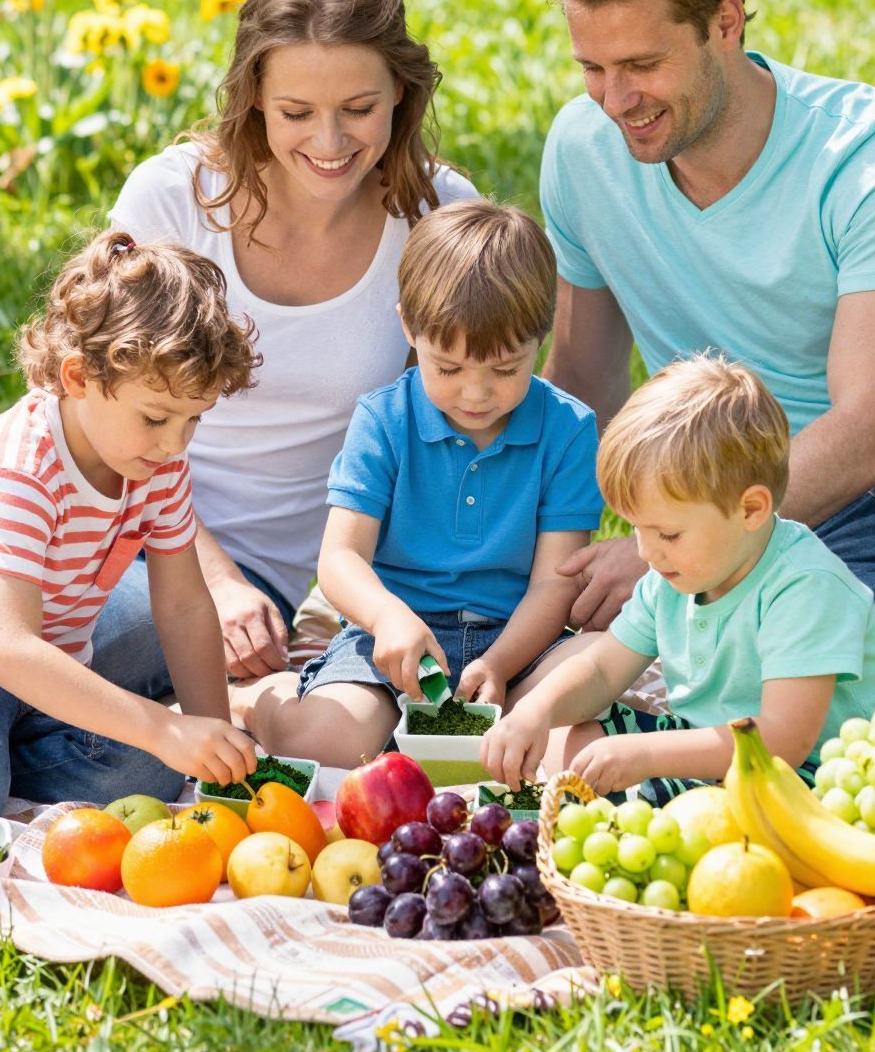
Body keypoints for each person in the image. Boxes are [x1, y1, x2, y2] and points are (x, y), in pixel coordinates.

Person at [0, 0, 475, 698]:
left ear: (401, 89)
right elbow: (79, 389)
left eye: (358, 110)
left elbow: (448, 422)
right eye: (297, 113)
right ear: (255, 98)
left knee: (92, 650)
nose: (329, 144)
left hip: (245, 576)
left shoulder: (438, 221)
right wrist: (216, 577)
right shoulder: (177, 198)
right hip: (75, 522)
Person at [538, 0, 875, 731]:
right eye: (592, 69)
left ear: (726, 23)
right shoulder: (583, 152)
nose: (615, 99)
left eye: (641, 65)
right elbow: (582, 381)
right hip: (788, 527)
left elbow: (872, 437)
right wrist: (545, 568)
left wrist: (673, 553)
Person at [0, 232, 259, 817]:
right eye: (158, 417)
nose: (175, 443)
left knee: (153, 768)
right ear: (80, 377)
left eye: (193, 420)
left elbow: (184, 605)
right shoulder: (17, 472)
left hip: (54, 650)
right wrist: (163, 729)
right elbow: (8, 651)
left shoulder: (155, 459)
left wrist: (213, 740)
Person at [236, 200, 602, 765]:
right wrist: (387, 618)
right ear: (409, 325)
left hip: (521, 644)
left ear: (542, 336)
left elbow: (554, 586)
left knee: (579, 738)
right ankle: (260, 701)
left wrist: (500, 666)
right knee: (326, 742)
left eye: (506, 369)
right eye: (448, 369)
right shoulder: (384, 419)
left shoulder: (569, 429)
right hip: (395, 641)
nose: (476, 395)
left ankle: (501, 729)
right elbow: (340, 559)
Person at [483, 356, 875, 798]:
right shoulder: (674, 575)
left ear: (750, 510)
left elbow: (783, 742)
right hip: (713, 745)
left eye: (667, 533)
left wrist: (645, 755)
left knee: (642, 791)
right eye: (635, 528)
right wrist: (536, 711)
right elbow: (602, 670)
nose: (645, 551)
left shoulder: (804, 588)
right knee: (576, 739)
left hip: (816, 777)